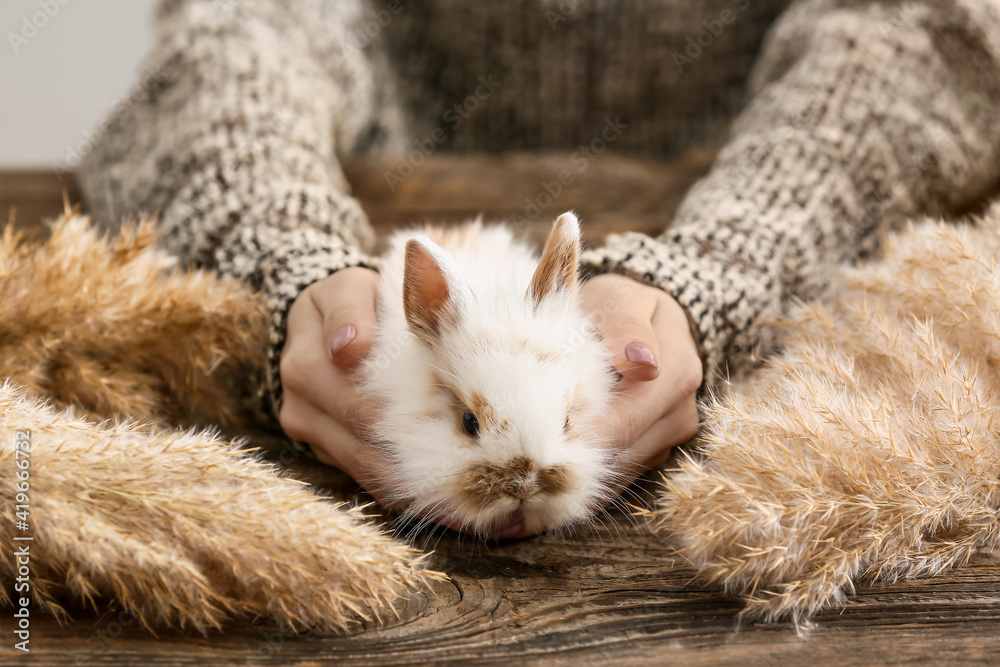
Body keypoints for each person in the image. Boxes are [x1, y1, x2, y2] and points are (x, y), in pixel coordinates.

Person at [78, 0, 1000, 538]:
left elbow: (933, 28)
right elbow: (242, 26)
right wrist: (273, 240)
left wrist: (733, 265)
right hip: (377, 205)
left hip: (766, 259)